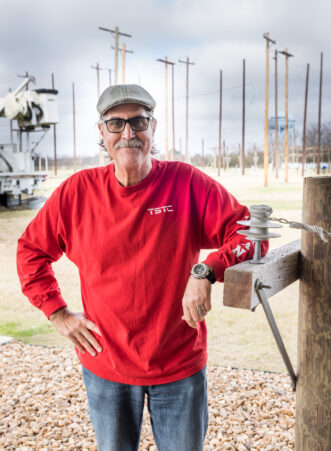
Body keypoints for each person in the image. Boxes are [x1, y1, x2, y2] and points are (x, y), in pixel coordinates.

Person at [17, 84, 268, 451]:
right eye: (116, 124)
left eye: (138, 121)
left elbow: (252, 234)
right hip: (106, 365)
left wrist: (206, 271)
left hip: (178, 364)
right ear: (101, 133)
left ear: (153, 128)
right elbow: (30, 251)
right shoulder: (77, 193)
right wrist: (57, 313)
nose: (128, 133)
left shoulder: (186, 183)